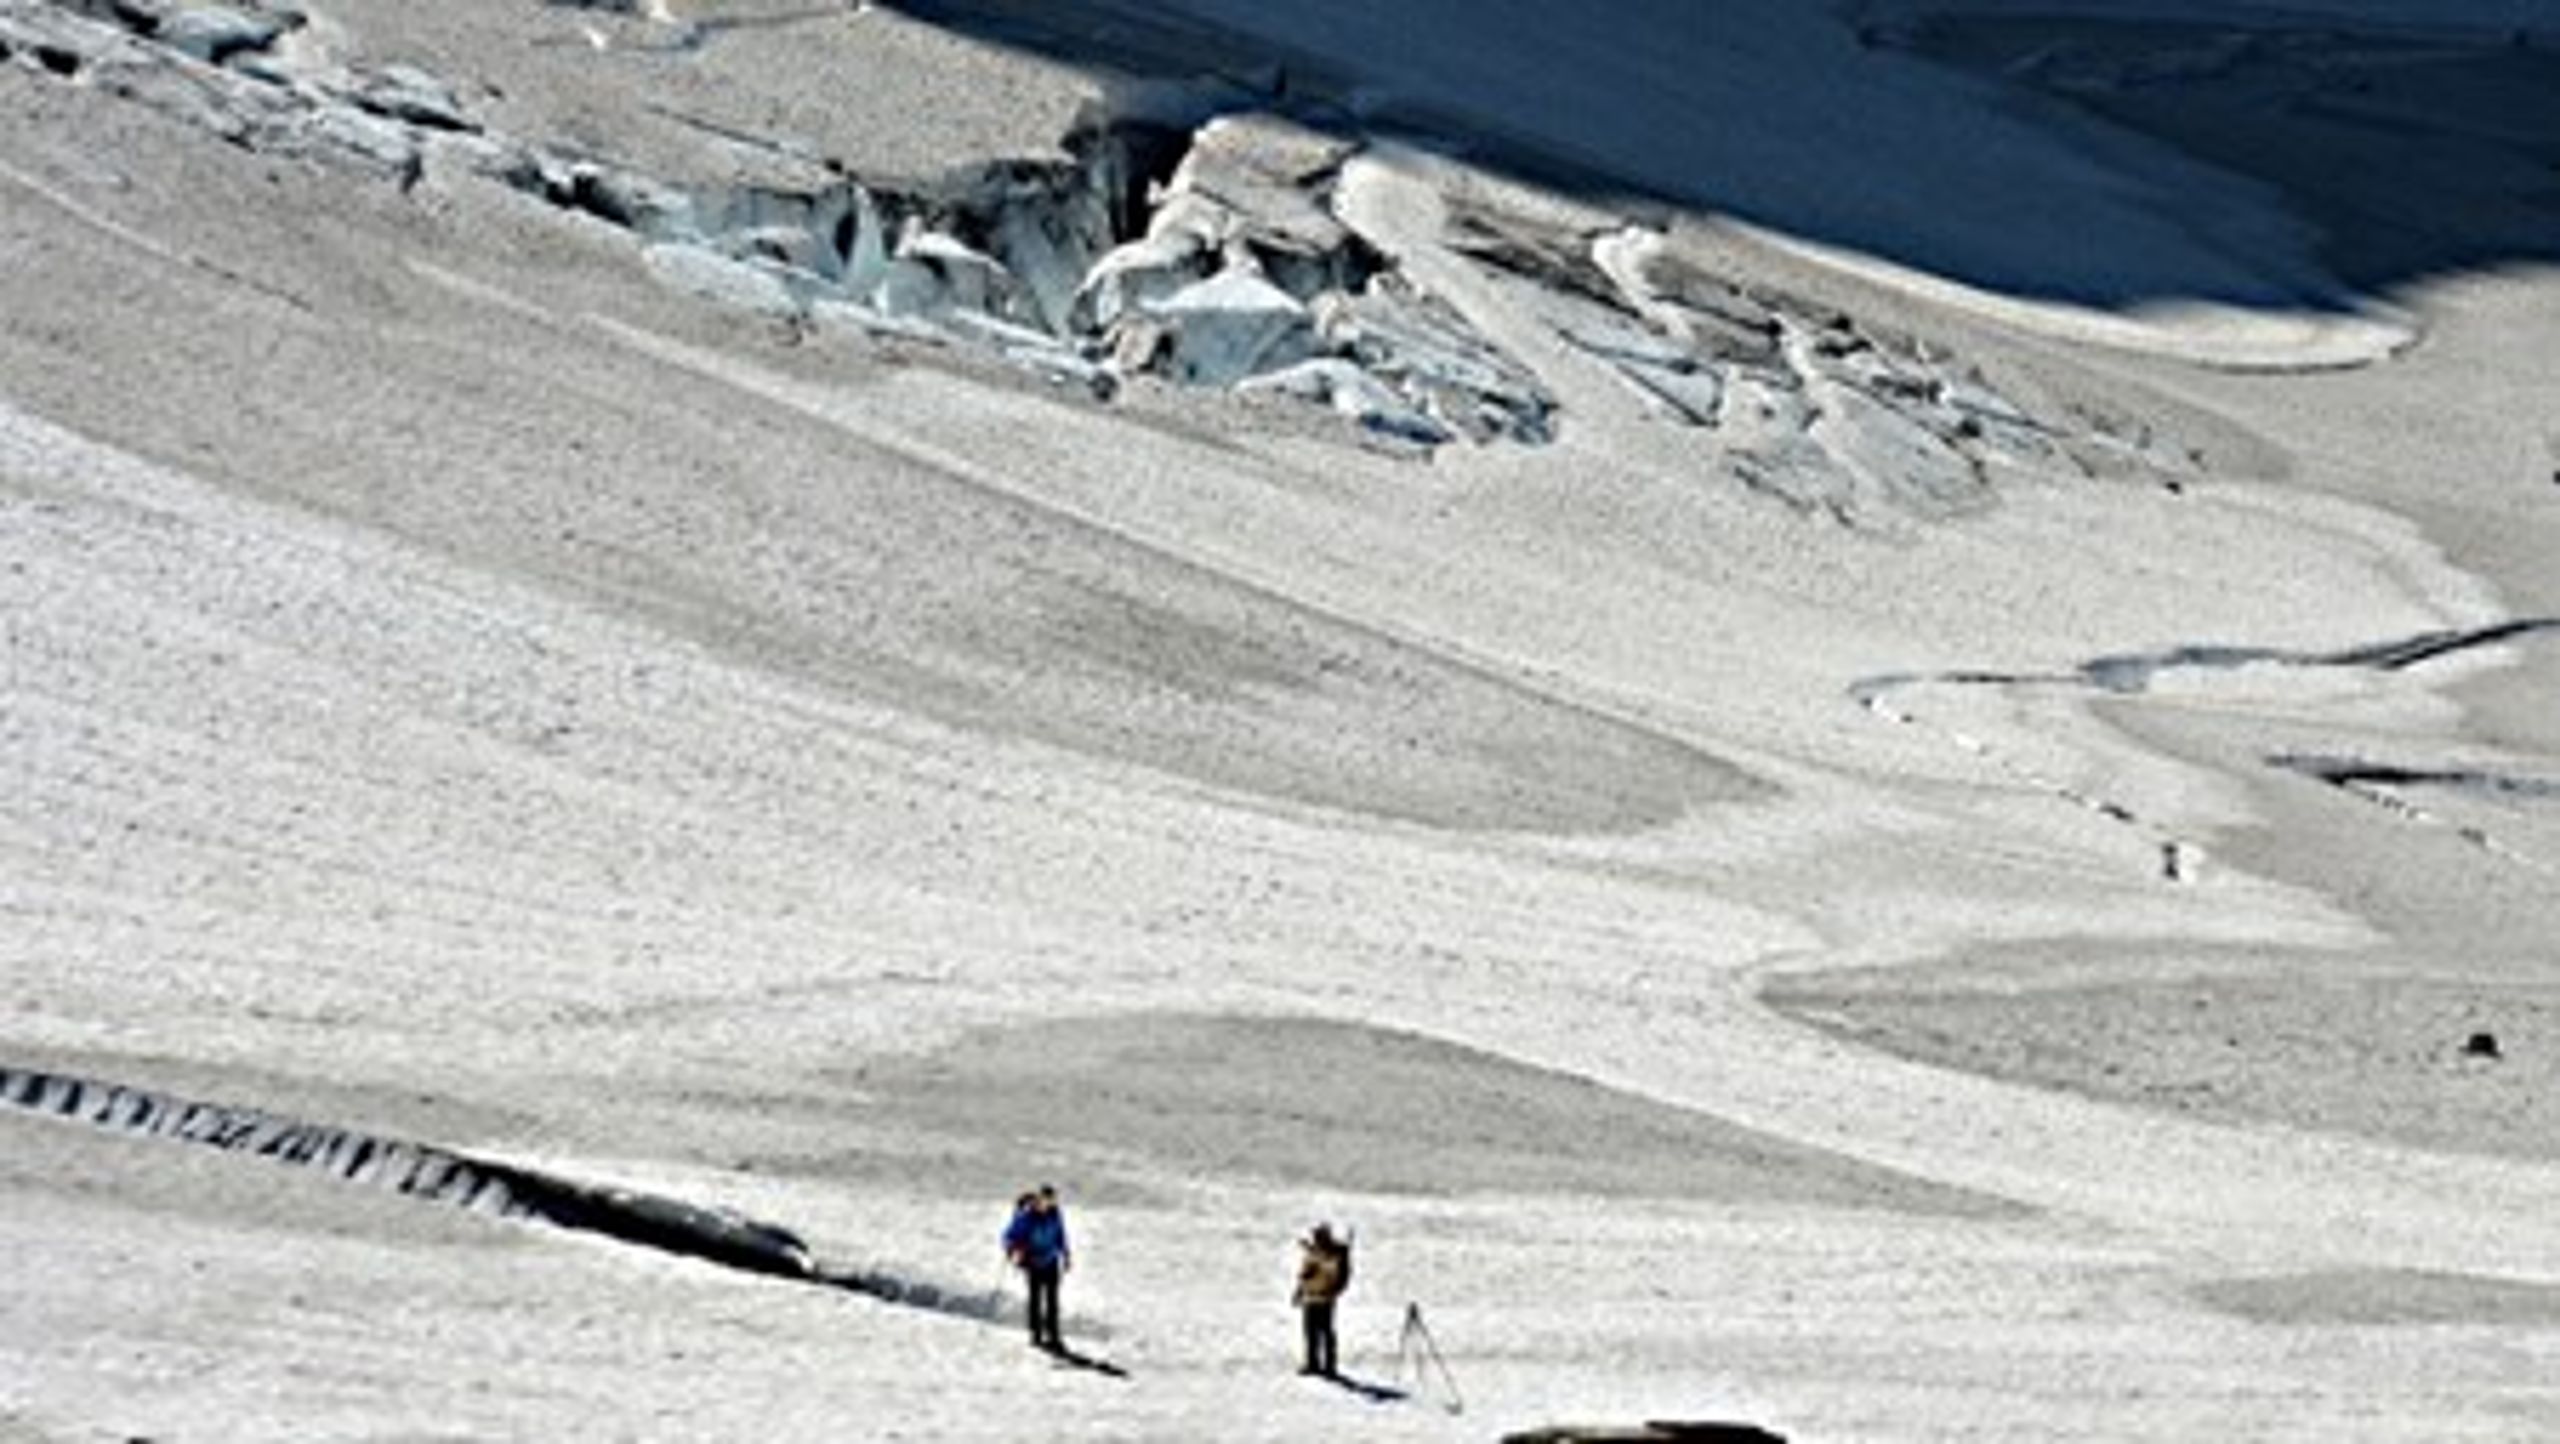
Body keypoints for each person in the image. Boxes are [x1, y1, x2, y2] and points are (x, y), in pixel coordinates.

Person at [1002, 1184, 1071, 1351]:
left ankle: (1053, 1335)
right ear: (1039, 1199)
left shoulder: (1055, 1215)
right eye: (1046, 1200)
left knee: (1052, 1300)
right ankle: (1036, 1334)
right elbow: (1009, 1235)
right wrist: (1012, 1248)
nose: (1048, 1203)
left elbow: (1060, 1235)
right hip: (1033, 1262)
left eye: (1052, 1200)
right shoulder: (1027, 1217)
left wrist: (1066, 1254)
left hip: (1051, 1262)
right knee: (1036, 1299)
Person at [1293, 1222, 1352, 1376]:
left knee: (1325, 1332)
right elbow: (1305, 1273)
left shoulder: (1336, 1255)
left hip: (1325, 1299)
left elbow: (1340, 1277)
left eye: (1318, 1236)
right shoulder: (1313, 1253)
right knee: (1310, 1332)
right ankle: (1312, 1363)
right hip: (1310, 1297)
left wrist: (1333, 1292)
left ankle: (1329, 1366)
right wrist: (1299, 1291)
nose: (1316, 1238)